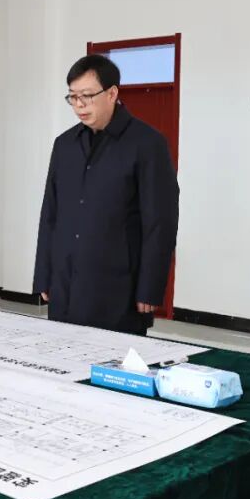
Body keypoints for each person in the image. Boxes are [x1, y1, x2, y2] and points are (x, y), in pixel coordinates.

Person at [33, 54, 179, 336]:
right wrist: (44, 275)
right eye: (73, 97)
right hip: (65, 284)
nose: (79, 105)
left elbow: (160, 222)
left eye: (87, 96)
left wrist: (150, 288)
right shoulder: (65, 145)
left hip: (118, 290)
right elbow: (50, 214)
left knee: (113, 360)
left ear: (112, 93)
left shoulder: (147, 144)